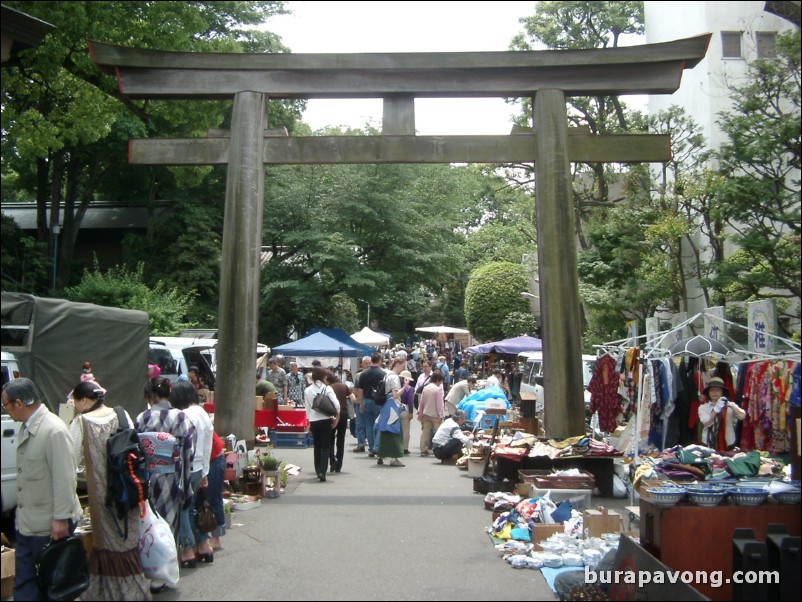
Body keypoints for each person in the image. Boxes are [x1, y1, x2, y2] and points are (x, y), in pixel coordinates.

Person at [2, 378, 83, 602]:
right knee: (25, 583)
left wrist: (61, 518)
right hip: (28, 520)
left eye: (5, 405)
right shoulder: (28, 426)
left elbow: (65, 478)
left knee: (52, 586)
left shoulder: (53, 430)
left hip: (49, 523)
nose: (6, 412)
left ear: (19, 403)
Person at [69, 380, 150, 600]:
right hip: (129, 490)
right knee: (127, 543)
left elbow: (70, 459)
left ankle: (104, 593)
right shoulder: (122, 415)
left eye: (75, 402)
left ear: (84, 400)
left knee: (106, 542)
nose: (75, 407)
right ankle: (134, 593)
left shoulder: (81, 422)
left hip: (101, 496)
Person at [135, 377, 195, 555]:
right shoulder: (179, 417)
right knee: (170, 526)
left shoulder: (141, 418)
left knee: (149, 524)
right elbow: (188, 453)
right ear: (169, 393)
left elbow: (136, 453)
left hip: (147, 478)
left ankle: (151, 565)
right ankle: (169, 569)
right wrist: (186, 485)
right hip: (172, 478)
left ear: (150, 395)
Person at [170, 380, 214, 567]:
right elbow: (208, 444)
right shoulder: (202, 413)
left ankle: (188, 550)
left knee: (184, 509)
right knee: (193, 507)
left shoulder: (185, 415)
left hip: (187, 468)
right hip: (199, 467)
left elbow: (184, 447)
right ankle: (204, 546)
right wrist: (205, 471)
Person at [304, 366, 340, 482]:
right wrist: (337, 417)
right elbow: (337, 405)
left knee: (317, 446)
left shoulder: (308, 390)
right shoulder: (327, 389)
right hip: (325, 419)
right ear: (324, 376)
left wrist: (308, 422)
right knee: (325, 446)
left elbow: (307, 408)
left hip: (314, 420)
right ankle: (322, 471)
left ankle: (317, 469)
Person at [698, 376, 745, 451]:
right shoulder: (703, 407)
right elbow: (706, 422)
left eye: (718, 390)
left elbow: (742, 416)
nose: (714, 392)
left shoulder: (729, 405)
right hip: (708, 442)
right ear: (708, 392)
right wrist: (716, 410)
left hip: (728, 442)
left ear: (722, 392)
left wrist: (731, 405)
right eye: (712, 390)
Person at [375, 358, 405, 467]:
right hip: (392, 405)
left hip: (385, 405)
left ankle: (380, 455)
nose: (403, 368)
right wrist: (405, 387)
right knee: (394, 430)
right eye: (403, 365)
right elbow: (396, 394)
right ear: (398, 364)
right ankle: (394, 457)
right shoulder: (394, 377)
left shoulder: (386, 375)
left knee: (383, 430)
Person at [356, 353, 386, 458]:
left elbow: (360, 390)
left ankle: (371, 447)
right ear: (380, 361)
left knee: (368, 425)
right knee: (379, 424)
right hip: (378, 401)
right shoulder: (382, 374)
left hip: (366, 400)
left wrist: (361, 403)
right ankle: (376, 447)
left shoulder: (363, 374)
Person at [206, 429, 227, 551]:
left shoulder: (193, 416)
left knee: (214, 497)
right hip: (206, 458)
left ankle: (216, 538)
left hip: (213, 457)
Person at [325, 371, 351, 473]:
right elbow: (353, 398)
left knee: (331, 438)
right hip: (343, 414)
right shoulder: (344, 386)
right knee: (341, 439)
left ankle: (332, 459)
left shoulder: (328, 388)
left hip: (332, 414)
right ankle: (339, 463)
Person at [417, 371, 445, 457]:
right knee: (440, 432)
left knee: (425, 432)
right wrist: (441, 415)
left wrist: (420, 412)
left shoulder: (426, 388)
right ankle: (440, 449)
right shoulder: (438, 390)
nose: (440, 383)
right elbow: (439, 404)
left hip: (426, 414)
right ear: (437, 380)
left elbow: (421, 402)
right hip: (435, 415)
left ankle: (423, 449)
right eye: (440, 381)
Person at [351, 356, 372, 452]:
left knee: (369, 423)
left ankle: (371, 444)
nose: (368, 365)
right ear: (362, 364)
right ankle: (361, 443)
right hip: (359, 401)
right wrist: (354, 398)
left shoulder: (373, 374)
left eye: (369, 362)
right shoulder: (358, 375)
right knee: (359, 423)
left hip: (369, 401)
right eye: (366, 363)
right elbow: (355, 388)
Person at [398, 370, 415, 455]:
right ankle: (404, 447)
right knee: (405, 429)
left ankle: (397, 445)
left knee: (398, 428)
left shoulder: (397, 387)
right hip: (405, 408)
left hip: (397, 407)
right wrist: (411, 412)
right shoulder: (408, 389)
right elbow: (410, 401)